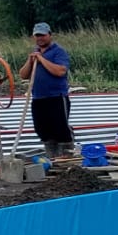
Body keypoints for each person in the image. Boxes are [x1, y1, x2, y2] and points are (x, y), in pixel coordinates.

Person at [23, 21, 73, 158]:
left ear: (50, 35)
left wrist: (41, 59)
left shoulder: (58, 52)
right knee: (43, 130)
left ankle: (67, 158)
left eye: (43, 35)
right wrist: (30, 60)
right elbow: (23, 75)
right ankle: (52, 157)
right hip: (39, 98)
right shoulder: (35, 53)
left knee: (60, 129)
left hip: (56, 97)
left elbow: (60, 71)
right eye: (37, 36)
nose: (40, 38)